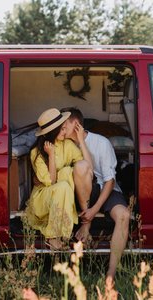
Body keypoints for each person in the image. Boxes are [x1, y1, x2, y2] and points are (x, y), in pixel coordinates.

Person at [61, 107, 131, 281]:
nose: (60, 130)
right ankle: (84, 229)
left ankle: (111, 274)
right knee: (80, 168)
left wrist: (94, 211)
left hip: (104, 188)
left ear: (76, 125)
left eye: (63, 126)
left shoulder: (101, 142)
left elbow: (110, 181)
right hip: (76, 192)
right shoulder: (62, 143)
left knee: (124, 215)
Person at [25, 108, 93, 250]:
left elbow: (86, 165)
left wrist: (81, 140)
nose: (65, 132)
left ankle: (63, 233)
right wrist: (51, 155)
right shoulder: (36, 153)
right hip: (43, 197)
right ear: (52, 132)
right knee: (62, 185)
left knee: (67, 173)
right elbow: (50, 182)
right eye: (61, 130)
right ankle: (53, 236)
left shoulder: (67, 145)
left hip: (62, 196)